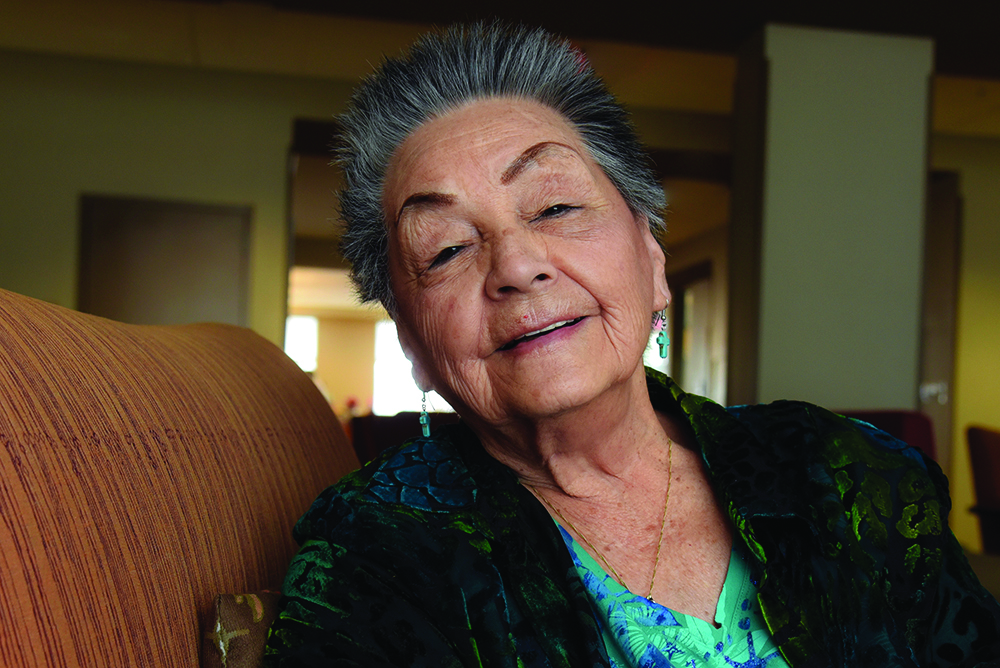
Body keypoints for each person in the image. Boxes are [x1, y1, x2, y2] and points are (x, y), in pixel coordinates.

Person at [264, 22, 1000, 667]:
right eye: (448, 249)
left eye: (555, 206)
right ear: (413, 343)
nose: (517, 266)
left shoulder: (851, 477)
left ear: (651, 260)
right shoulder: (374, 558)